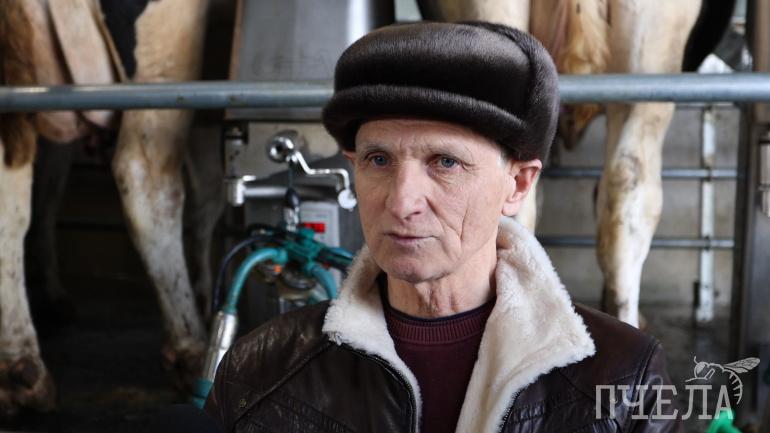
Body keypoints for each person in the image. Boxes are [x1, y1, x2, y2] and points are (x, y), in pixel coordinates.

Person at [205, 21, 681, 432]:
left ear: (517, 184)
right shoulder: (259, 373)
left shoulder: (625, 378)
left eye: (445, 162)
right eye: (378, 159)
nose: (402, 202)